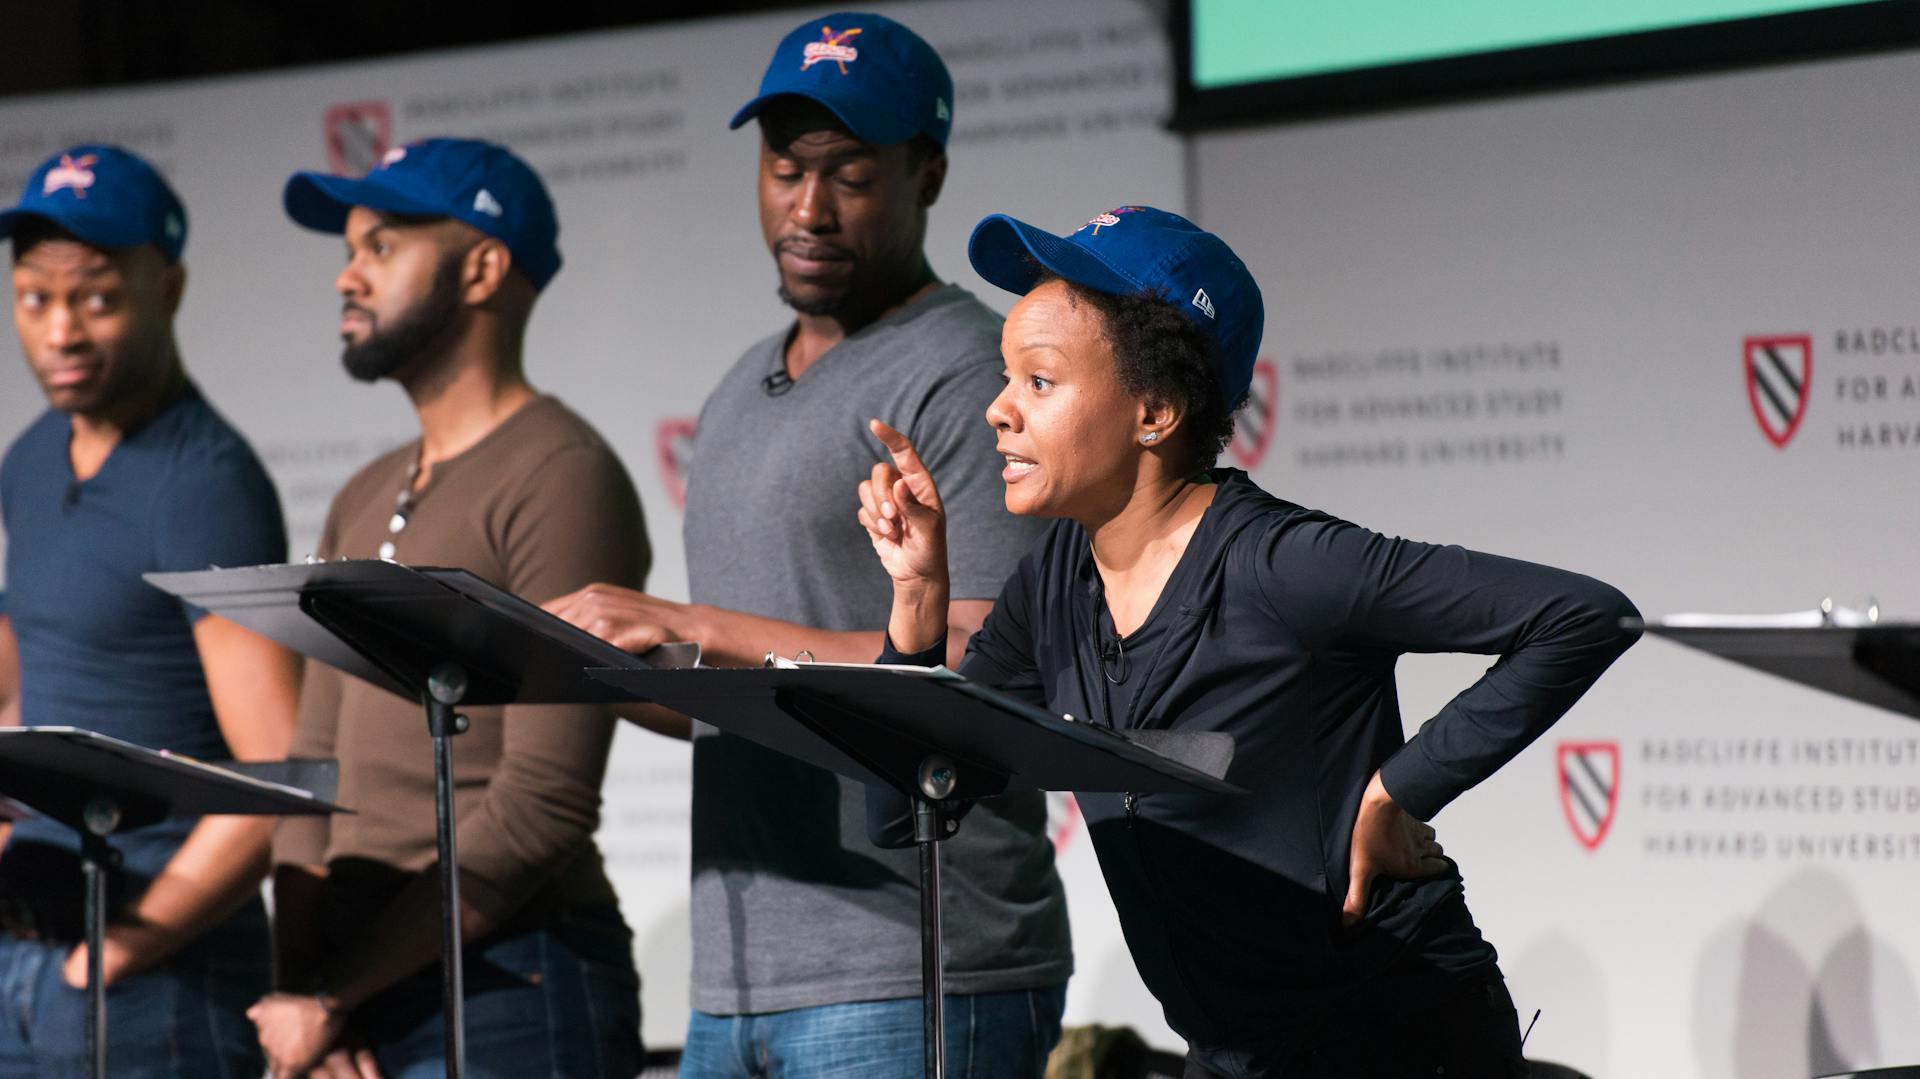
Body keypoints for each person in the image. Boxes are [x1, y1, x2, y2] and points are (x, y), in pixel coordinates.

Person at [855, 205, 1642, 1079]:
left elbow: (1585, 616)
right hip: (1231, 1052)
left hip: (1397, 1038)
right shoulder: (1051, 587)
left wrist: (1397, 791)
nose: (998, 411)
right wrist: (918, 595)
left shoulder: (1286, 564)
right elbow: (905, 810)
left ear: (1154, 411)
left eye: (1038, 381)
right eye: (1007, 379)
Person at [546, 13, 1072, 1076]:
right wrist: (576, 665)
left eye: (849, 175)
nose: (809, 208)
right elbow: (743, 695)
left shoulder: (964, 370)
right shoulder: (743, 383)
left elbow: (977, 663)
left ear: (927, 174)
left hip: (915, 961)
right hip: (737, 979)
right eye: (786, 169)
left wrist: (691, 622)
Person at [254, 138, 649, 1079]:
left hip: (510, 982)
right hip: (354, 991)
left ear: (481, 267)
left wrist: (330, 992)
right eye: (349, 249)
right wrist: (305, 996)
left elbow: (544, 803)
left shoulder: (563, 472)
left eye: (381, 247)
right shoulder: (363, 487)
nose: (348, 276)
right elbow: (310, 769)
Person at [0, 144, 302, 1078]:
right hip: (29, 950)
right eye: (33, 297)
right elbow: (26, 685)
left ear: (167, 288)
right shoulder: (30, 456)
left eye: (95, 296)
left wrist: (123, 948)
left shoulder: (204, 483)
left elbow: (277, 773)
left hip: (156, 985)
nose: (61, 331)